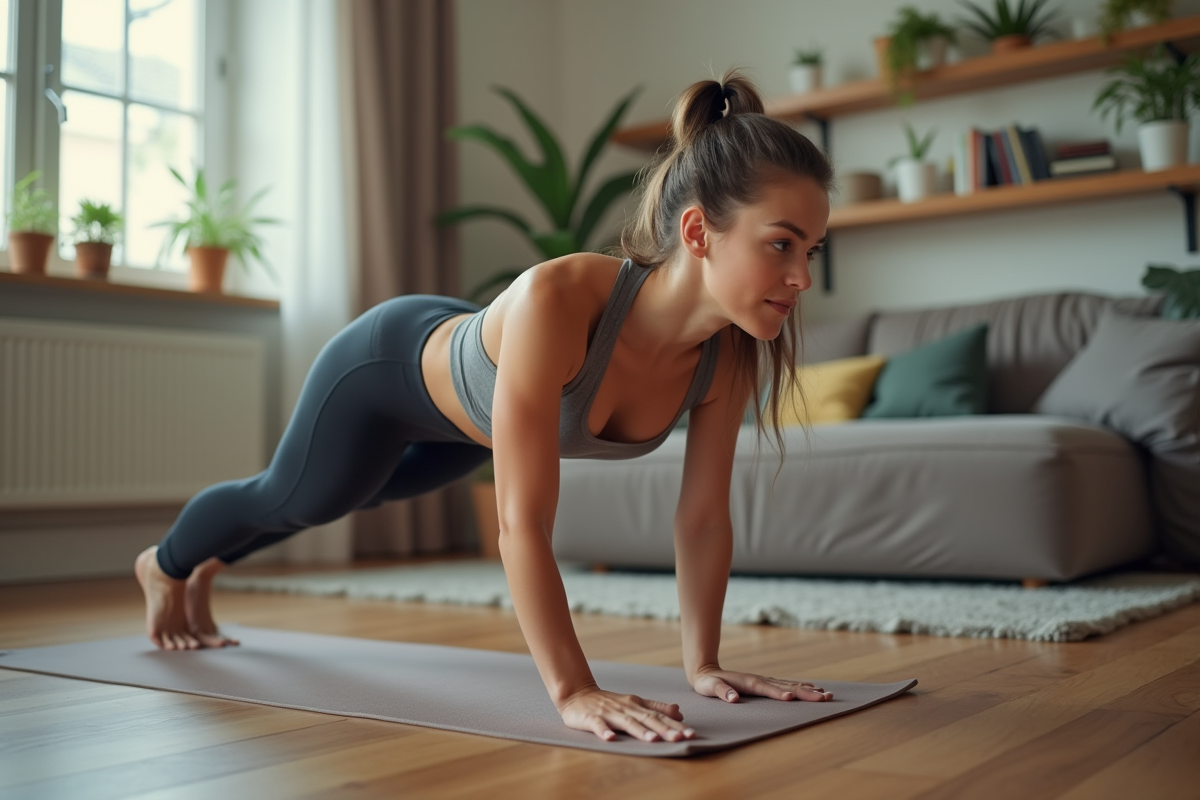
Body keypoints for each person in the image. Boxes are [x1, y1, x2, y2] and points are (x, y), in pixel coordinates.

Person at [135, 68, 836, 745]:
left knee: (348, 494)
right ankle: (164, 565)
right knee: (293, 497)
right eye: (781, 243)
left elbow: (703, 518)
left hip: (467, 426)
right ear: (697, 232)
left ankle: (212, 559)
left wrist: (703, 664)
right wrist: (573, 690)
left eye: (811, 249)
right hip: (385, 368)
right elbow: (521, 523)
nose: (802, 276)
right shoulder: (557, 301)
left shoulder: (728, 354)